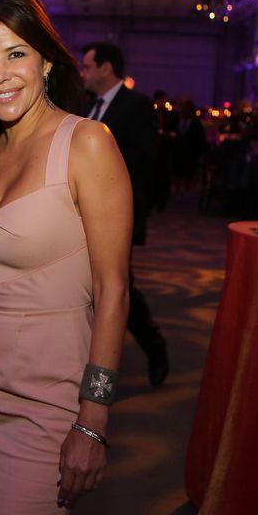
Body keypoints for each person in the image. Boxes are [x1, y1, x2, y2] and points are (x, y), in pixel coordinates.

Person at [0, 0, 130, 515]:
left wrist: (93, 419)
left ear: (47, 60)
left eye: (15, 54)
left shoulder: (88, 142)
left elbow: (114, 289)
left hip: (52, 408)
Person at [80, 42, 169, 387]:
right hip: (82, 212)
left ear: (106, 68)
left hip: (116, 213)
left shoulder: (137, 105)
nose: (83, 73)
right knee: (89, 289)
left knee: (116, 287)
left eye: (87, 67)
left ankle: (154, 344)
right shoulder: (89, 107)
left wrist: (98, 153)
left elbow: (145, 157)